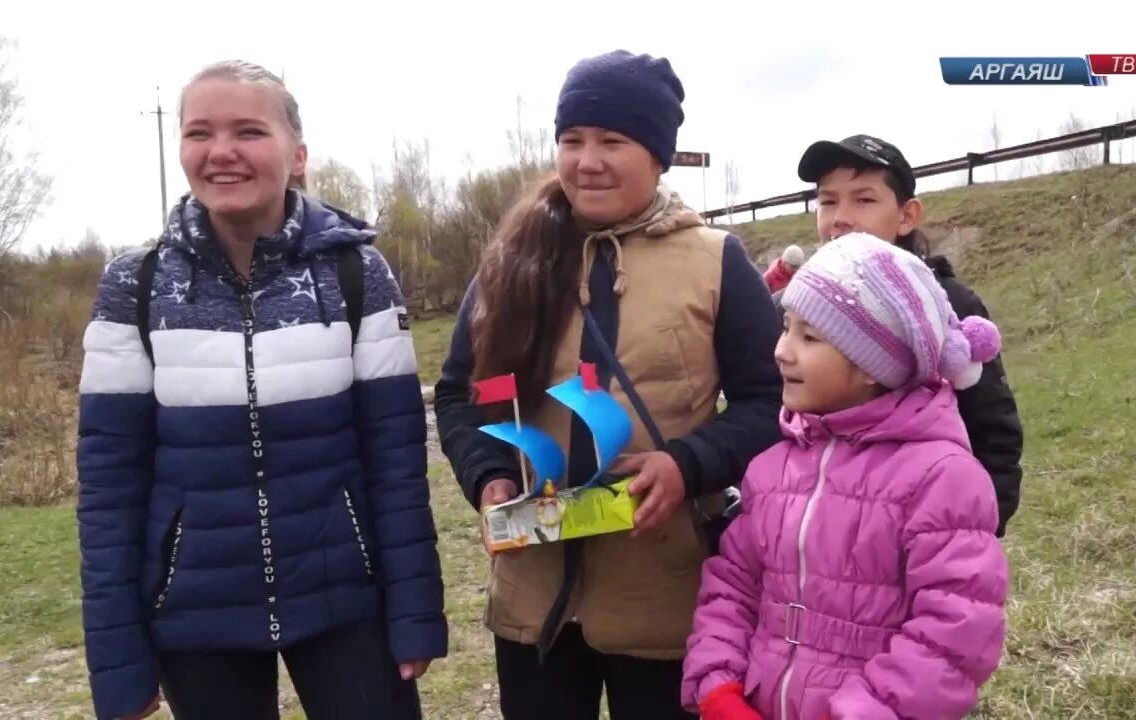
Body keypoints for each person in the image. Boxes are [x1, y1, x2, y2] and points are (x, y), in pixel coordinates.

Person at [76, 60, 446, 720]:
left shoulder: (357, 273)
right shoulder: (134, 287)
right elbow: (109, 489)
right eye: (199, 133)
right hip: (196, 620)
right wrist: (118, 660)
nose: (221, 152)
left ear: (297, 153)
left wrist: (415, 613)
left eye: (248, 130)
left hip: (347, 605)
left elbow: (396, 465)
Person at [433, 49, 783, 720]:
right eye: (572, 140)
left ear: (657, 156)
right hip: (535, 601)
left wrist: (687, 465)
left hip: (668, 596)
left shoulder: (716, 262)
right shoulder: (510, 261)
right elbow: (460, 393)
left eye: (611, 141)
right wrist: (489, 477)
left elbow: (771, 403)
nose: (586, 160)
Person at [682, 232, 1010, 720]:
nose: (782, 351)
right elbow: (732, 589)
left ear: (876, 364)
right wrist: (719, 686)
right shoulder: (773, 466)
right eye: (786, 327)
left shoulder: (941, 479)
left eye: (810, 337)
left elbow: (952, 634)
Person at [776, 133, 1024, 536]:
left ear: (907, 215)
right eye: (828, 200)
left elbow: (993, 435)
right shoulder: (799, 309)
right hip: (817, 543)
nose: (840, 216)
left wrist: (968, 535)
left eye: (864, 199)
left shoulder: (949, 307)